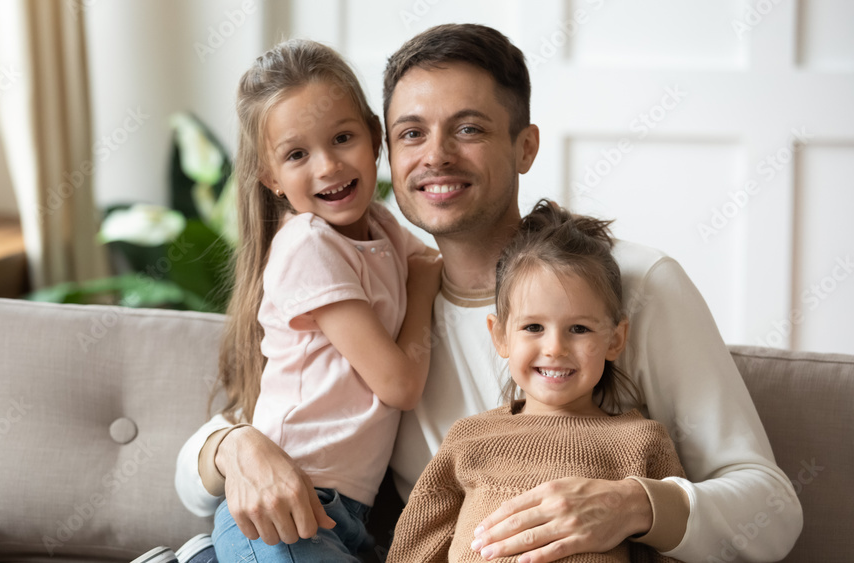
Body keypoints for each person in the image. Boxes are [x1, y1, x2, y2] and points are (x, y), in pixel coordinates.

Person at [176, 24, 802, 562]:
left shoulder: (635, 285)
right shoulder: (388, 295)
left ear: (524, 146)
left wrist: (633, 503)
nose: (437, 156)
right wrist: (234, 446)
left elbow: (772, 511)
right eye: (412, 133)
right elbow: (241, 442)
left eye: (468, 128)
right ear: (387, 150)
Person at [201, 38, 443, 562]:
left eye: (342, 137)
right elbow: (399, 384)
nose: (328, 166)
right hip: (284, 506)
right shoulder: (309, 243)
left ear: (375, 138)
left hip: (346, 513)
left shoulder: (381, 225)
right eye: (297, 154)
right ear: (272, 179)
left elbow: (440, 258)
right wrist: (422, 284)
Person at [387, 200, 687, 563]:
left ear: (615, 339)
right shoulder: (468, 438)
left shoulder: (642, 443)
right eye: (533, 327)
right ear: (499, 336)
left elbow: (669, 554)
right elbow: (415, 548)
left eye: (579, 328)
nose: (555, 348)